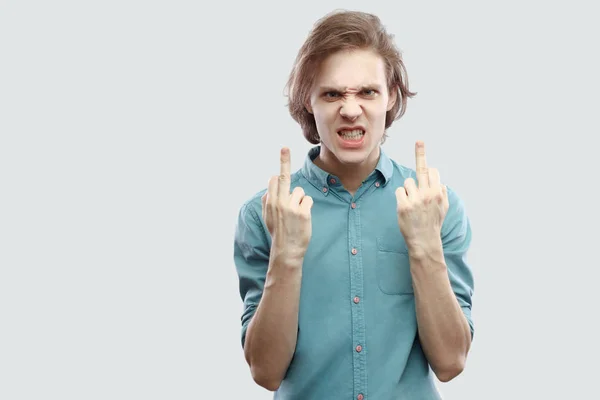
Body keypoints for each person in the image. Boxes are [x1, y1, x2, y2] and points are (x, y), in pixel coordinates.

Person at [233, 9, 475, 399]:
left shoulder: (437, 206)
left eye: (367, 91)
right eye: (332, 93)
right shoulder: (265, 214)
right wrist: (287, 255)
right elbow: (265, 372)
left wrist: (425, 244)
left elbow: (451, 363)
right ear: (308, 101)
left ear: (390, 96)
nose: (350, 109)